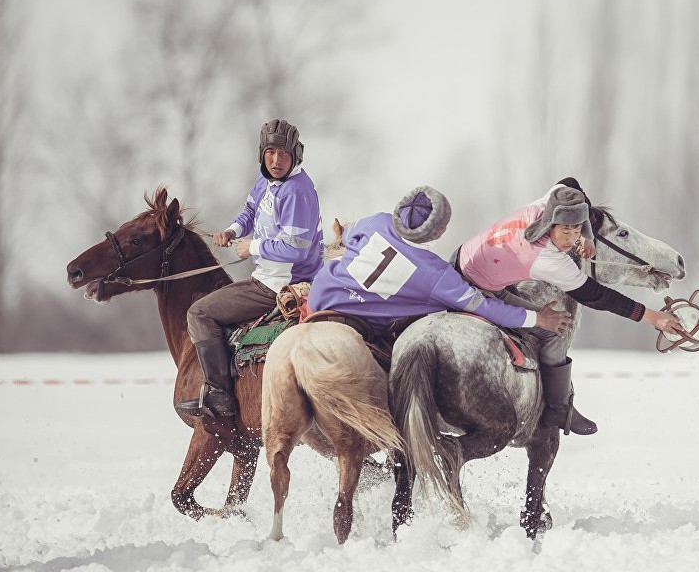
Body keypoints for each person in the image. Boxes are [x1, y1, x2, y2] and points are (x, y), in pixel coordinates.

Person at [453, 178, 682, 436]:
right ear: (551, 224)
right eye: (566, 232)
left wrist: (588, 235)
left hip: (462, 258)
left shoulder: (543, 206)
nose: (571, 239)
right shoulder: (547, 260)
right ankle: (558, 409)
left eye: (576, 231)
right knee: (556, 329)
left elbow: (570, 182)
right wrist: (653, 317)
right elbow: (596, 296)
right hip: (477, 289)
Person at [177, 119, 324, 417]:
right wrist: (232, 230)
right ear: (261, 153)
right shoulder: (266, 179)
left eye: (283, 153)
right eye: (270, 152)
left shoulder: (297, 191)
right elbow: (250, 211)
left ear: (296, 154)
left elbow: (296, 248)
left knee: (199, 313)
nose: (276, 160)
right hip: (267, 276)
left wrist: (252, 247)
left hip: (282, 284)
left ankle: (220, 397)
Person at [306, 185, 573, 343]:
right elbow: (485, 306)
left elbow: (346, 234)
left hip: (317, 298)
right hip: (357, 327)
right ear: (440, 231)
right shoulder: (436, 274)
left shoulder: (376, 221)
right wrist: (538, 317)